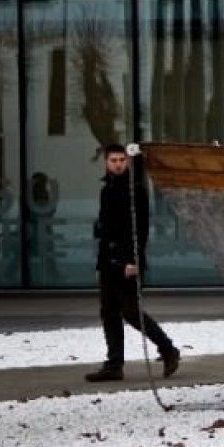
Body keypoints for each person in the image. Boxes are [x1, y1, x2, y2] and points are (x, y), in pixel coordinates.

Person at [85, 143, 181, 382]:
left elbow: (140, 229)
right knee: (108, 312)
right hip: (108, 260)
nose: (117, 164)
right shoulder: (106, 190)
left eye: (121, 160)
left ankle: (168, 348)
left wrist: (133, 260)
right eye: (113, 160)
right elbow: (105, 230)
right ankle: (114, 364)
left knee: (130, 311)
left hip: (127, 260)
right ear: (106, 163)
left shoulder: (135, 191)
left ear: (126, 163)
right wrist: (101, 264)